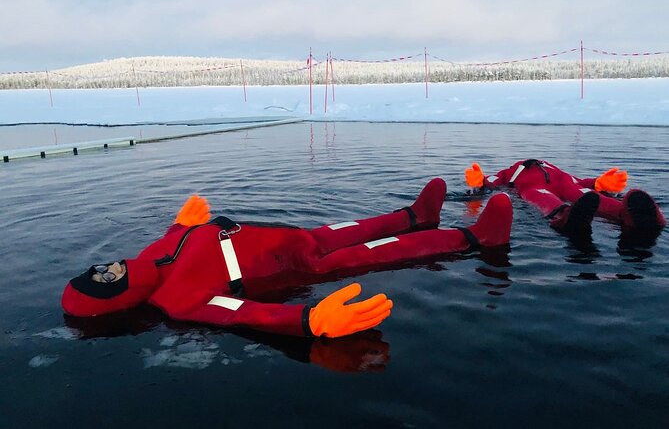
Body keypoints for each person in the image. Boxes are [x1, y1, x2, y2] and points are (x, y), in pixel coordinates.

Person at [62, 178, 513, 338]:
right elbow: (245, 314)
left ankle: (417, 214)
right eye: (105, 279)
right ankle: (475, 238)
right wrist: (308, 321)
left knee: (358, 227)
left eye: (98, 269)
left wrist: (182, 224)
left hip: (294, 237)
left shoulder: (146, 257)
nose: (108, 267)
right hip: (296, 267)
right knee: (377, 251)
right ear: (118, 299)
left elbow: (173, 240)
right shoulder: (182, 301)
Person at [464, 159, 665, 239]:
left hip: (564, 181)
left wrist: (598, 183)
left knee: (585, 194)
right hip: (536, 186)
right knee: (547, 196)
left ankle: (625, 211)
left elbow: (580, 181)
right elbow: (494, 180)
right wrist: (480, 180)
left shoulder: (549, 167)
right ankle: (565, 215)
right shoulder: (512, 172)